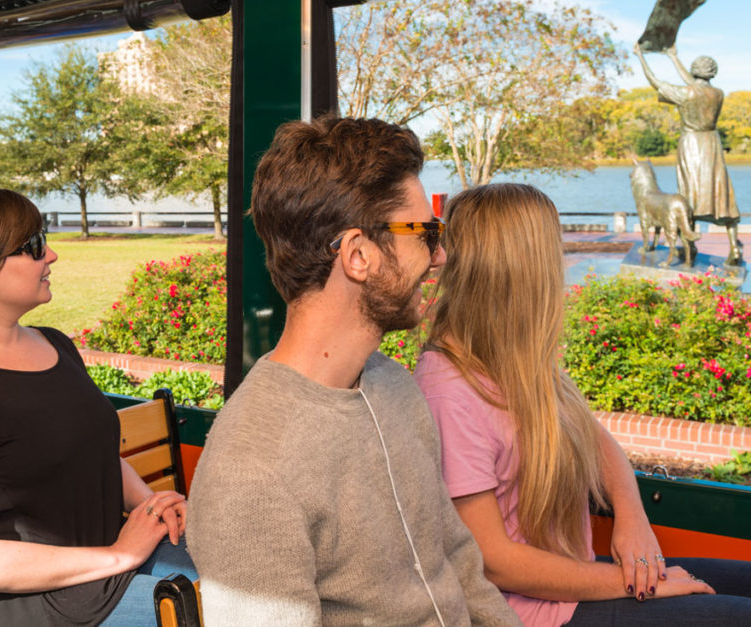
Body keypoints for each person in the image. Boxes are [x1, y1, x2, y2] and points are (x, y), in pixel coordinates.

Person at [187, 116, 520, 625]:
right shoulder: (252, 470)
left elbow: (457, 560)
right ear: (358, 255)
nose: (440, 255)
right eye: (424, 233)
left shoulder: (391, 384)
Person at [415, 183, 751, 626]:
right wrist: (629, 581)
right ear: (525, 266)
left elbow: (598, 444)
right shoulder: (447, 388)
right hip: (528, 613)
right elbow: (492, 561)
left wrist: (633, 518)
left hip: (573, 582)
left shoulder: (518, 362)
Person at [0, 189, 195, 626]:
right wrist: (119, 554)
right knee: (219, 609)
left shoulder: (54, 344)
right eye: (34, 246)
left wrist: (152, 506)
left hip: (105, 561)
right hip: (34, 602)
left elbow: (95, 454)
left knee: (252, 570)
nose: (51, 255)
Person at [635, 43, 742, 265]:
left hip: (692, 144)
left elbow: (656, 82)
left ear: (695, 71)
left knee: (689, 193)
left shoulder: (687, 93)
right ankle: (734, 246)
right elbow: (695, 85)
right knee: (721, 193)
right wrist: (673, 58)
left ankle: (689, 247)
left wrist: (640, 57)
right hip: (712, 143)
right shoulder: (718, 94)